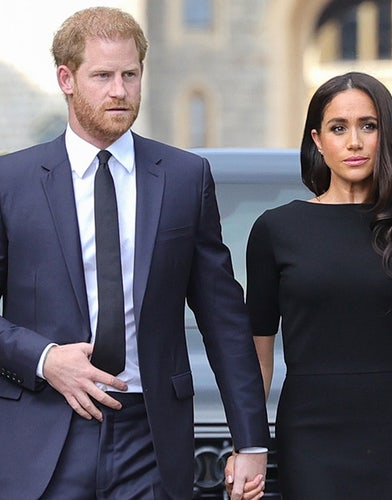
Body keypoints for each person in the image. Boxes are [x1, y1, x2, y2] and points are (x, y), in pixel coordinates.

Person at [0, 7, 270, 499]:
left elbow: (224, 319)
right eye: (102, 75)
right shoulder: (10, 182)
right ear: (66, 78)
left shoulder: (185, 179)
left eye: (130, 74)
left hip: (149, 437)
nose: (119, 91)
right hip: (41, 431)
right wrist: (44, 358)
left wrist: (251, 439)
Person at [239, 72, 392, 498]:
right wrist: (250, 444)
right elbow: (257, 359)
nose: (354, 142)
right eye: (339, 128)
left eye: (368, 126)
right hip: (311, 435)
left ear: (386, 133)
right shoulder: (276, 231)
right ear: (317, 140)